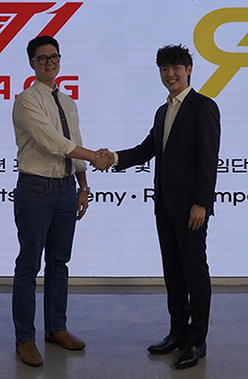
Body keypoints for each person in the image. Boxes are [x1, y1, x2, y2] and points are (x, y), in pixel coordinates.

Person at [100, 44, 221, 369]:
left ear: (189, 69)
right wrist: (113, 158)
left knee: (195, 272)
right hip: (165, 206)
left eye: (176, 68)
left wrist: (201, 203)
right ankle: (177, 333)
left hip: (191, 208)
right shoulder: (162, 111)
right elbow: (146, 149)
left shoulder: (204, 107)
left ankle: (197, 341)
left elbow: (208, 161)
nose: (170, 74)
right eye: (165, 69)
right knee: (173, 272)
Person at [11, 35, 111, 367]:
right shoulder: (26, 100)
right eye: (42, 58)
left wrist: (83, 186)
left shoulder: (69, 103)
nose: (49, 62)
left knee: (59, 263)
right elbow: (53, 142)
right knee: (29, 266)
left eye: (54, 56)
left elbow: (74, 144)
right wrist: (96, 156)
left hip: (66, 190)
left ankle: (56, 328)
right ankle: (25, 337)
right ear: (32, 63)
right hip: (35, 189)